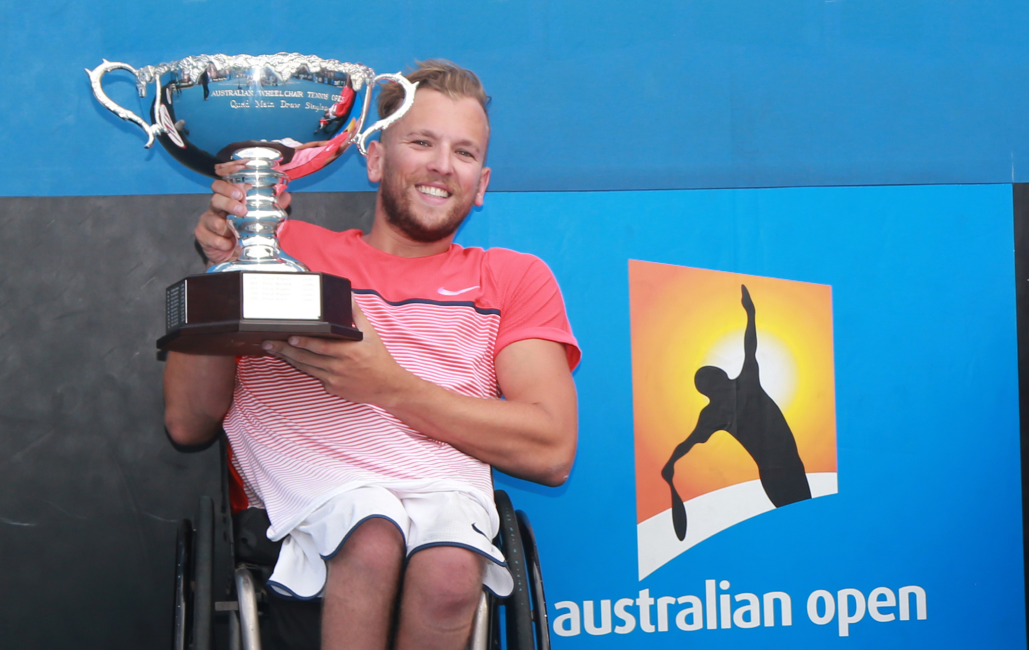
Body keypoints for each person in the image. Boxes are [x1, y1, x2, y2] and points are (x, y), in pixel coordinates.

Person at [163, 60, 580, 650]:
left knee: (453, 573)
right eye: (421, 142)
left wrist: (386, 385)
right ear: (376, 158)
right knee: (372, 538)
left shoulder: (513, 278)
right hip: (310, 506)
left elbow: (552, 449)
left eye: (463, 153)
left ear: (482, 183)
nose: (441, 165)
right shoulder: (287, 249)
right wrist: (221, 274)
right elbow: (187, 422)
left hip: (444, 495)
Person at [660, 285, 811, 541]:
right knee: (803, 526)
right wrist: (750, 313)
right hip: (783, 470)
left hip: (780, 472)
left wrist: (671, 464)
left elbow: (686, 445)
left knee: (801, 527)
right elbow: (750, 345)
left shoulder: (716, 411)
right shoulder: (741, 387)